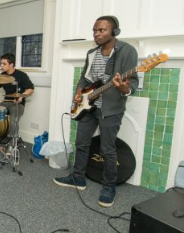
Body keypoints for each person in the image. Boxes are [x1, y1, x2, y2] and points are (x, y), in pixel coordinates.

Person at [54, 16, 137, 208]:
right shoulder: (92, 53)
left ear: (114, 31)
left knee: (107, 149)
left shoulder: (127, 51)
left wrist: (123, 87)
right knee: (81, 142)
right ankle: (78, 178)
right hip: (88, 107)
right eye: (95, 30)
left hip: (110, 109)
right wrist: (78, 94)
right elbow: (84, 78)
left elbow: (132, 84)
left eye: (102, 30)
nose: (97, 34)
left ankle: (109, 187)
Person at [0, 53, 34, 126]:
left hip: (18, 104)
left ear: (11, 65)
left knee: (13, 121)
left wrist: (21, 96)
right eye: (1, 63)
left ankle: (14, 137)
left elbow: (31, 88)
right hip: (6, 102)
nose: (1, 65)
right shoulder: (2, 75)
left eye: (4, 64)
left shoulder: (21, 75)